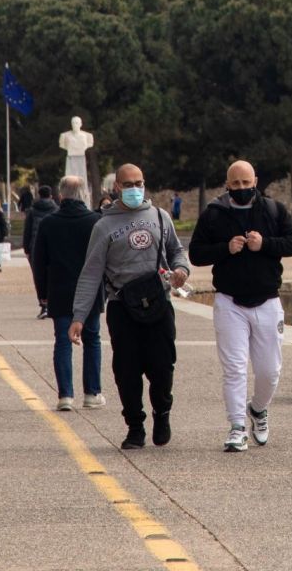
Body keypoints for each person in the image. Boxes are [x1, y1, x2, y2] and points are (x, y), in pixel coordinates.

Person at [188, 160, 292, 452]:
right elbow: (196, 254)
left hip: (267, 301)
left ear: (256, 181)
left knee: (269, 371)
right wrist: (225, 249)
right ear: (227, 185)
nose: (241, 188)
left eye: (245, 183)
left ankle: (259, 409)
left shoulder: (273, 210)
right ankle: (237, 427)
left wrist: (264, 244)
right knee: (235, 368)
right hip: (229, 302)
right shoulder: (214, 215)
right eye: (235, 184)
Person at [71, 165, 189, 449]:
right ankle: (135, 427)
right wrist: (79, 316)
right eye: (127, 184)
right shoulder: (103, 226)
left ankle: (162, 413)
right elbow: (91, 273)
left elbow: (176, 250)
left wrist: (181, 268)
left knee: (162, 367)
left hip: (159, 303)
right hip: (123, 307)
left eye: (138, 183)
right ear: (116, 188)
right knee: (127, 371)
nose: (134, 189)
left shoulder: (160, 217)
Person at [32, 175, 107, 412]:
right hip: (91, 290)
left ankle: (65, 395)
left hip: (60, 288)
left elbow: (39, 261)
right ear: (84, 194)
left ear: (60, 195)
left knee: (62, 341)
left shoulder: (48, 222)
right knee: (92, 339)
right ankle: (92, 392)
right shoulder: (96, 221)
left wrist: (42, 294)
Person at [23, 184, 58, 264]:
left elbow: (27, 230)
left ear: (39, 195)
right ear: (51, 196)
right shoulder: (57, 210)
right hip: (52, 246)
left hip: (35, 245)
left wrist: (26, 248)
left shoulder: (32, 211)